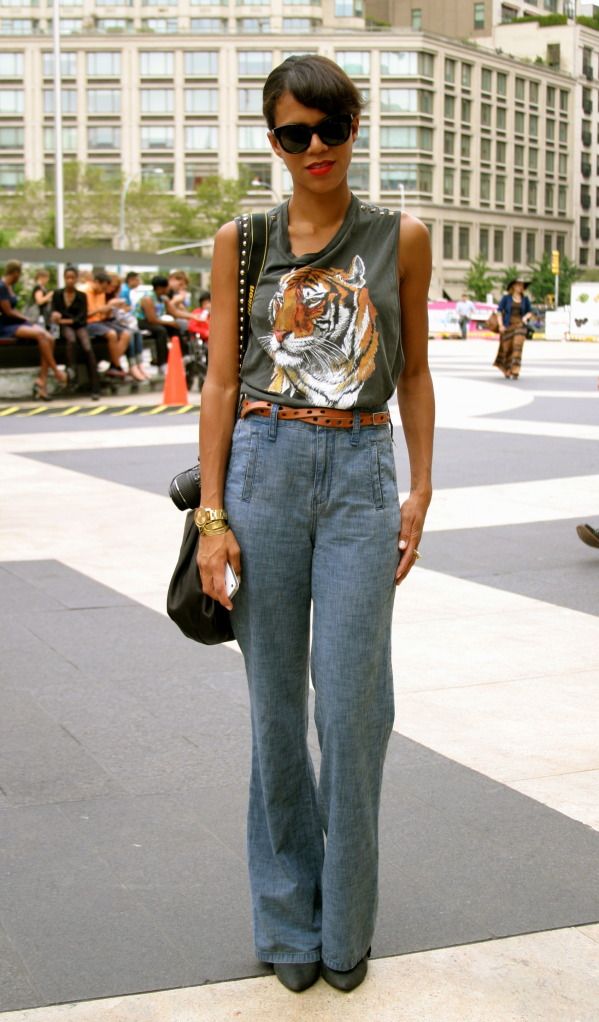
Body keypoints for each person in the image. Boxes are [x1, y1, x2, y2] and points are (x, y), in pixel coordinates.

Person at [196, 55, 434, 995]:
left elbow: (412, 370)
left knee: (353, 708)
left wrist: (419, 491)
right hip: (264, 469)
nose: (316, 149)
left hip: (363, 474)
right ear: (272, 140)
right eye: (295, 133)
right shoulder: (242, 242)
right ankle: (288, 916)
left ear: (353, 128)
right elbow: (218, 382)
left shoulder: (399, 237)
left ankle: (348, 924)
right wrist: (213, 514)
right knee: (275, 713)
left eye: (331, 128)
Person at [0, 259, 67, 400]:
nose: (19, 277)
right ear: (15, 273)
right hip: (7, 325)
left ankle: (41, 381)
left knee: (49, 337)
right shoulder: (2, 286)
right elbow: (8, 311)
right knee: (41, 336)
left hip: (17, 322)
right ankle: (56, 371)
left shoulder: (10, 287)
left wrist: (25, 319)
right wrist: (26, 319)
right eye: (19, 274)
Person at [51, 264, 100, 399]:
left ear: (76, 279)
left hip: (77, 325)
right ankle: (71, 372)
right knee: (71, 339)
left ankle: (95, 385)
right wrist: (59, 319)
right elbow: (55, 312)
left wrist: (65, 321)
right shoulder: (58, 294)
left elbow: (82, 317)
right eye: (67, 278)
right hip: (66, 328)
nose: (70, 280)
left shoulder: (81, 296)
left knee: (87, 346)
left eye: (72, 277)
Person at [82, 270, 131, 378]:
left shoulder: (101, 294)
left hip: (101, 321)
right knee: (111, 334)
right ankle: (117, 366)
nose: (103, 291)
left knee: (126, 333)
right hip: (88, 322)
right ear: (96, 282)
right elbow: (84, 315)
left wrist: (110, 309)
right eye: (103, 288)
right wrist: (101, 309)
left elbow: (103, 314)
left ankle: (114, 365)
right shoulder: (84, 293)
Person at [133, 275, 177, 374]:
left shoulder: (163, 298)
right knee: (161, 331)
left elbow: (174, 312)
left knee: (175, 327)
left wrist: (192, 317)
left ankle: (182, 356)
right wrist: (169, 323)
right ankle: (162, 363)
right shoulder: (148, 298)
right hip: (143, 322)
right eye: (166, 287)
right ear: (160, 288)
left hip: (158, 321)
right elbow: (152, 319)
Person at [494, 277, 533, 379]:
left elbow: (530, 312)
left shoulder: (525, 300)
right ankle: (507, 369)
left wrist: (525, 317)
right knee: (507, 349)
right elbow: (499, 311)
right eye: (519, 284)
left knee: (517, 347)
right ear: (513, 286)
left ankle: (515, 369)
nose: (521, 287)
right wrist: (501, 325)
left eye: (522, 285)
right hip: (507, 326)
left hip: (520, 326)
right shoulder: (506, 298)